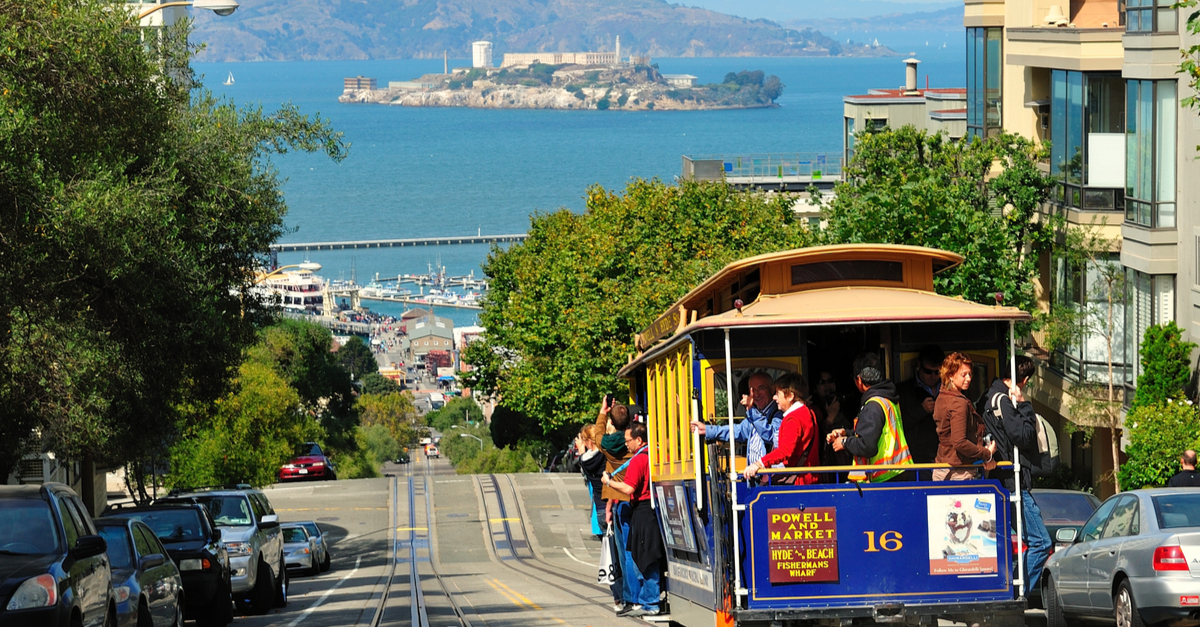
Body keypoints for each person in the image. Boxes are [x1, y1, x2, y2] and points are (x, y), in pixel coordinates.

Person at [977, 356, 1050, 597]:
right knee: (1041, 542)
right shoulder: (1005, 401)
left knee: (1005, 543)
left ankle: (1012, 589)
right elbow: (1024, 436)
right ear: (1024, 380)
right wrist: (1025, 404)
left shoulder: (987, 398)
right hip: (1012, 483)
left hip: (999, 481)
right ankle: (1016, 593)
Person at [602, 423, 664, 618]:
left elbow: (629, 489)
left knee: (645, 558)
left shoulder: (638, 460)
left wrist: (609, 482)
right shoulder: (653, 454)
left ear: (639, 440)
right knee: (645, 556)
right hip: (651, 509)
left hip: (643, 510)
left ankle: (650, 602)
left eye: (628, 441)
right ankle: (648, 600)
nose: (626, 444)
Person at [827, 352, 914, 482]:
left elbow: (867, 446)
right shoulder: (887, 399)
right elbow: (877, 434)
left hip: (885, 477)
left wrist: (844, 442)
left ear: (859, 380)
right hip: (898, 471)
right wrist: (847, 433)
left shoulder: (873, 406)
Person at [594, 398, 636, 612]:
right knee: (636, 551)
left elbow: (598, 435)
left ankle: (629, 597)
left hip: (620, 500)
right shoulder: (634, 441)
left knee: (625, 552)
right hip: (638, 498)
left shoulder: (609, 447)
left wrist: (602, 413)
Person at [691, 371, 782, 467]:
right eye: (752, 390)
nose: (756, 394)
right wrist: (707, 429)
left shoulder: (778, 413)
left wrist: (751, 410)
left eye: (761, 388)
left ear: (772, 389)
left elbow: (770, 435)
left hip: (769, 476)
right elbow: (738, 431)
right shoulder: (757, 413)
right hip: (754, 475)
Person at [744, 373, 820, 485]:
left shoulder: (793, 418)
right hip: (810, 478)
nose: (774, 397)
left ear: (790, 396)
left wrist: (759, 463)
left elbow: (785, 451)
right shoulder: (809, 412)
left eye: (777, 394)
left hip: (799, 483)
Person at [933, 352, 996, 480]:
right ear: (950, 375)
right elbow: (960, 442)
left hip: (942, 467)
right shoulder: (958, 403)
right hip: (959, 472)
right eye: (963, 375)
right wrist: (987, 454)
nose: (968, 378)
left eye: (970, 374)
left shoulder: (942, 396)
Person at [897, 345, 944, 467]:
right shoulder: (904, 391)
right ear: (919, 366)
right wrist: (921, 410)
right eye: (928, 371)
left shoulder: (949, 389)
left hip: (945, 457)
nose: (932, 376)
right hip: (915, 459)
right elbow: (898, 424)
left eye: (937, 372)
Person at [813, 370, 853, 473]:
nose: (827, 385)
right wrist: (831, 417)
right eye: (822, 382)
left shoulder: (845, 404)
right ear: (815, 388)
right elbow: (819, 440)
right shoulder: (814, 409)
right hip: (827, 467)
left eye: (830, 381)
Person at [576, 425, 606, 537]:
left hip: (600, 507)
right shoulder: (605, 455)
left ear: (588, 441)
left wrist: (581, 451)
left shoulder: (585, 461)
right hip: (611, 505)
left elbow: (583, 462)